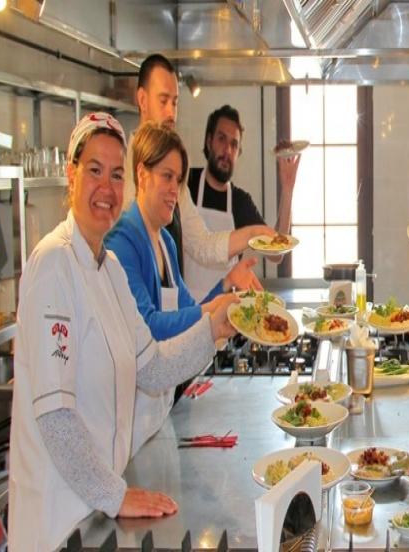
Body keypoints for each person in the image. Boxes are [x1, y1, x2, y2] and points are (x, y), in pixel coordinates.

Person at [8, 113, 238, 550]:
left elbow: (151, 367)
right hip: (58, 521)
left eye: (116, 175)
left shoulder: (109, 268)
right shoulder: (54, 264)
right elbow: (55, 416)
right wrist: (115, 494)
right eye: (95, 170)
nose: (107, 188)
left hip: (96, 510)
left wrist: (214, 329)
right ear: (71, 174)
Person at [105, 121, 258, 454]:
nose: (175, 189)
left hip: (159, 414)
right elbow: (149, 326)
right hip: (130, 425)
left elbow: (189, 310)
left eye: (178, 179)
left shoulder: (165, 242)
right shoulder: (122, 243)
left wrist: (226, 286)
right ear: (142, 174)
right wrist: (214, 310)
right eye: (167, 176)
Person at [130, 54, 277, 273]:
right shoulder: (120, 165)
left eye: (175, 102)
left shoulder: (168, 238)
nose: (171, 113)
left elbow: (201, 245)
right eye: (163, 101)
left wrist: (252, 234)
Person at [179, 104, 299, 300]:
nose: (227, 150)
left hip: (228, 311)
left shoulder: (240, 202)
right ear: (209, 141)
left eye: (234, 144)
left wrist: (287, 190)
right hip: (188, 308)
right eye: (221, 139)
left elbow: (276, 254)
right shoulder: (185, 184)